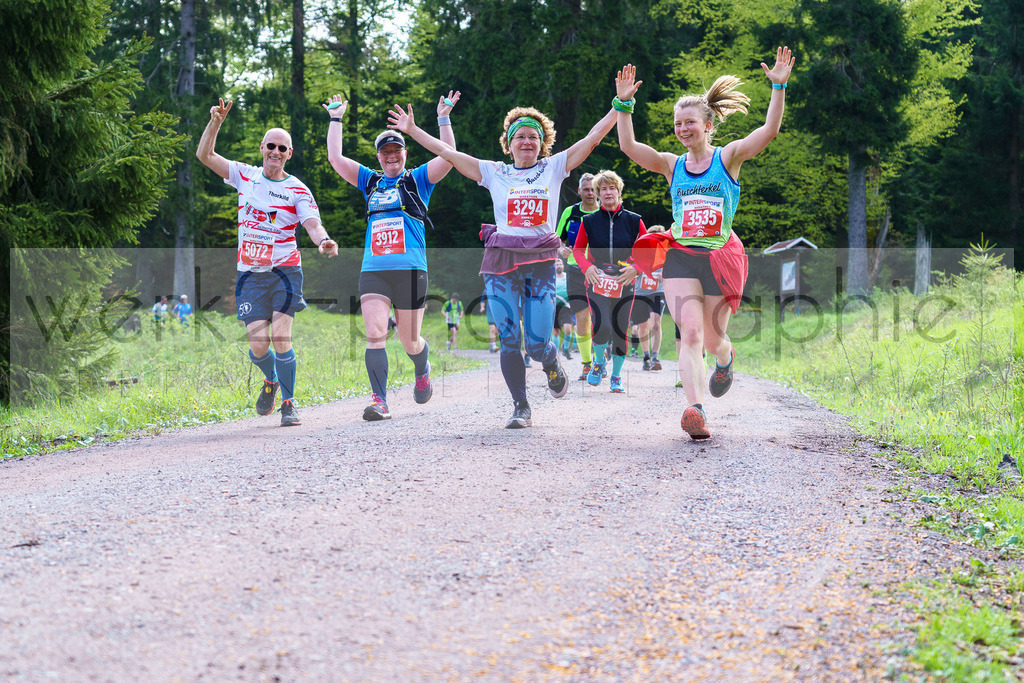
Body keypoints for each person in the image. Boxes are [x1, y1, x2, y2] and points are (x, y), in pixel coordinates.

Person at [388, 100, 616, 428]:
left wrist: (619, 105)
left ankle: (551, 362)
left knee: (537, 344)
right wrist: (413, 130)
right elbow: (449, 154)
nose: (526, 142)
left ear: (542, 143)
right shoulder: (495, 172)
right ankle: (520, 405)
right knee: (509, 338)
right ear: (508, 144)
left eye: (533, 137)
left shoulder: (554, 167)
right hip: (501, 261)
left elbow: (593, 138)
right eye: (519, 137)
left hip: (539, 263)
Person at [616, 47, 795, 439]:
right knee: (691, 334)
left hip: (720, 257)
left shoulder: (728, 158)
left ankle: (726, 358)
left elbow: (768, 132)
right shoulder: (670, 164)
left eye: (690, 122)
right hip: (681, 255)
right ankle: (694, 411)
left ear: (708, 124)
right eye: (678, 123)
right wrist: (623, 105)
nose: (682, 129)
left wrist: (778, 86)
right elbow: (629, 148)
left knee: (713, 339)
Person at [196, 98, 338, 427]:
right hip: (250, 274)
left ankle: (289, 403)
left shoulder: (297, 190)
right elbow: (205, 156)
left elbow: (313, 224)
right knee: (258, 345)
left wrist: (324, 241)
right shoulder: (245, 176)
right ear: (262, 148)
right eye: (271, 145)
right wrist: (215, 121)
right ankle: (271, 380)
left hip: (285, 270)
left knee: (282, 338)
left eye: (282, 148)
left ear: (289, 154)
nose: (275, 152)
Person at [325, 91, 459, 421]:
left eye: (395, 150)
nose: (390, 156)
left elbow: (450, 156)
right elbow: (335, 159)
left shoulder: (417, 180)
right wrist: (335, 119)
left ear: (404, 153)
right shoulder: (369, 181)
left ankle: (422, 366)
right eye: (385, 152)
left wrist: (443, 119)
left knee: (409, 340)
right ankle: (379, 401)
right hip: (374, 270)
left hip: (411, 271)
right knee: (375, 334)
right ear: (379, 156)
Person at [572, 169, 647, 394]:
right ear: (597, 194)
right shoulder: (589, 221)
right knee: (602, 325)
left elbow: (650, 250)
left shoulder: (634, 221)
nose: (607, 192)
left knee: (620, 329)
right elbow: (577, 250)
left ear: (619, 191)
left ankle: (616, 377)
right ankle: (597, 362)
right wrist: (587, 268)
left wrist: (637, 269)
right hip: (598, 282)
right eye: (602, 189)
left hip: (625, 283)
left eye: (611, 188)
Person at [555, 173, 600, 378]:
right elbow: (557, 239)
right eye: (586, 189)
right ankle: (587, 363)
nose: (590, 193)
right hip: (575, 270)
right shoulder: (570, 212)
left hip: (601, 271)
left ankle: (600, 359)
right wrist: (561, 250)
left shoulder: (605, 212)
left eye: (593, 189)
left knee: (600, 318)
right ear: (579, 191)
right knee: (582, 319)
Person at [552, 258, 574, 360]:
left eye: (560, 264)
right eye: (556, 265)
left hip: (566, 306)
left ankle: (565, 349)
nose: (559, 266)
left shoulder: (568, 276)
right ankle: (555, 353)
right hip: (553, 307)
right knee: (555, 332)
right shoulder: (551, 277)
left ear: (563, 265)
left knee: (568, 329)